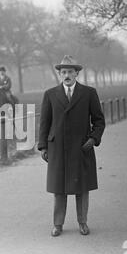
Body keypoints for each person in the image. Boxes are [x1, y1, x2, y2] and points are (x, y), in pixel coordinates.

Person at [37, 55, 105, 237]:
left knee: (81, 188)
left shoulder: (89, 93)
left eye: (70, 71)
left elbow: (99, 121)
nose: (67, 75)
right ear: (59, 74)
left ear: (77, 73)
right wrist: (43, 146)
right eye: (63, 72)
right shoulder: (50, 94)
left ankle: (83, 223)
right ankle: (58, 224)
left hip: (81, 147)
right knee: (59, 189)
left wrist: (93, 139)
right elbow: (44, 122)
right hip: (57, 148)